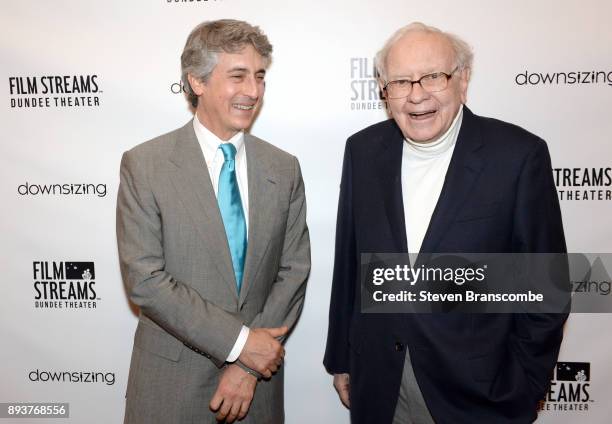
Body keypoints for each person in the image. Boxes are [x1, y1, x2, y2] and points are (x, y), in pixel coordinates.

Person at [324, 22, 567, 424]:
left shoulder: (518, 156)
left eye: (433, 76)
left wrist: (523, 384)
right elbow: (350, 263)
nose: (417, 95)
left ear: (463, 80)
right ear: (385, 90)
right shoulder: (363, 151)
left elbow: (546, 288)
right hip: (380, 384)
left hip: (479, 394)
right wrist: (342, 357)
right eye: (401, 81)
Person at [117, 19, 310, 424]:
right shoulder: (145, 165)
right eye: (237, 76)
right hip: (170, 387)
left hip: (257, 388)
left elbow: (293, 271)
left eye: (259, 77)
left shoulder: (284, 168)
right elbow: (146, 280)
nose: (253, 91)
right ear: (197, 82)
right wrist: (242, 344)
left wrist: (247, 366)